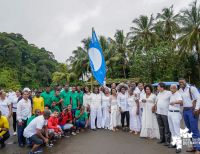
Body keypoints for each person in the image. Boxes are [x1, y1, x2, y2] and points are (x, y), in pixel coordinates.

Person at [179, 78, 200, 153]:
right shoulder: (180, 90)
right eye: (180, 82)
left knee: (194, 130)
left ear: (185, 82)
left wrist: (197, 109)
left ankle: (198, 148)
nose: (181, 83)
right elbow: (181, 101)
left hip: (192, 110)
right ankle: (193, 147)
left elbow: (198, 98)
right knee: (189, 130)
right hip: (185, 111)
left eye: (182, 81)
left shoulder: (192, 88)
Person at [168, 84, 183, 153]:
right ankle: (174, 143)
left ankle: (179, 146)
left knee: (176, 130)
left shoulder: (178, 94)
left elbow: (181, 101)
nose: (171, 89)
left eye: (172, 88)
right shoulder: (171, 94)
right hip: (170, 113)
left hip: (175, 113)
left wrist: (174, 102)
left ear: (175, 88)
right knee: (172, 129)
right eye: (171, 88)